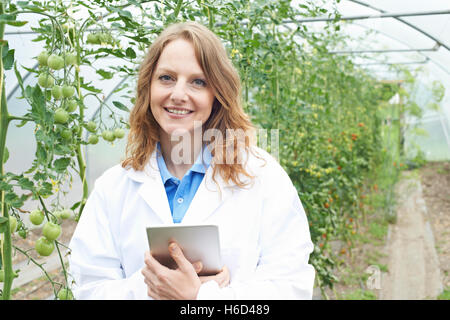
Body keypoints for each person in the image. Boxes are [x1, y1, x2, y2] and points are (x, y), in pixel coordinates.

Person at [68, 21, 315, 300]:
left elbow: (291, 287)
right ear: (148, 87)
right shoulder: (113, 187)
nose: (178, 94)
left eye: (198, 82)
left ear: (217, 94)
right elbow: (89, 288)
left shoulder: (262, 176)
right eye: (166, 78)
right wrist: (153, 287)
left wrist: (201, 297)